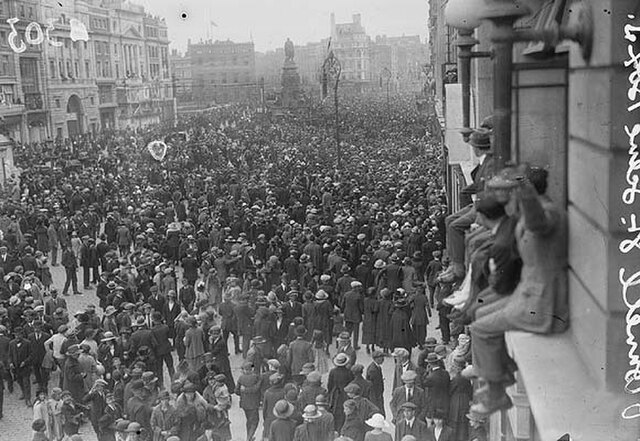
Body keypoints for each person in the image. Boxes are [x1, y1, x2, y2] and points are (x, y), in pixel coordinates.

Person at [235, 361, 261, 441]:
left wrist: (243, 392)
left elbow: (236, 391)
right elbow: (257, 389)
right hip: (254, 403)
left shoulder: (240, 378)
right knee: (255, 421)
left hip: (244, 403)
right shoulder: (256, 377)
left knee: (249, 420)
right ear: (251, 369)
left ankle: (249, 436)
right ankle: (249, 437)